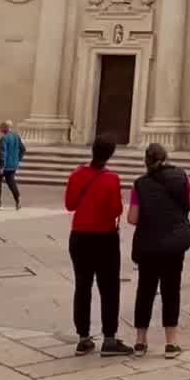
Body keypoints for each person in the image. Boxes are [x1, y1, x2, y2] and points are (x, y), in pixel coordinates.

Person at [127, 143, 190, 356]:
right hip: (174, 245)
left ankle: (140, 341)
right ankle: (171, 342)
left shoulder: (139, 184)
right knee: (171, 290)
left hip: (148, 245)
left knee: (145, 291)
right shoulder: (182, 177)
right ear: (166, 158)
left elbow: (132, 218)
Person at [63, 138, 133, 357]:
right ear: (110, 154)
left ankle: (83, 338)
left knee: (82, 286)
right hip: (104, 238)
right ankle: (109, 338)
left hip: (79, 237)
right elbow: (115, 211)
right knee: (109, 288)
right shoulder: (111, 179)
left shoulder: (76, 175)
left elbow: (70, 205)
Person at [0, 122, 25, 209]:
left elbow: (3, 153)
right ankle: (17, 198)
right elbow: (23, 149)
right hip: (13, 165)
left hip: (4, 165)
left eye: (1, 128)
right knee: (11, 182)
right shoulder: (16, 137)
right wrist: (18, 159)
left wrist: (1, 167)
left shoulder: (4, 139)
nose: (0, 130)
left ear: (5, 128)